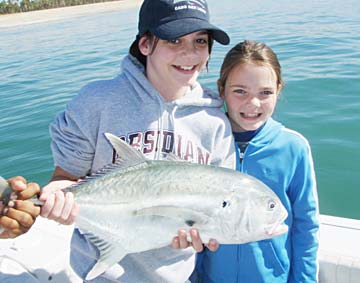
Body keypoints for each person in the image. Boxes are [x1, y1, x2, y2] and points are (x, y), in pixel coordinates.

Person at [39, 0, 236, 282]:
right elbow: (65, 177)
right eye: (174, 39)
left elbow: (218, 206)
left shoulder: (215, 122)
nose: (190, 53)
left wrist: (207, 234)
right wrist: (56, 199)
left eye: (200, 41)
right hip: (99, 275)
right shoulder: (96, 102)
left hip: (176, 276)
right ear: (145, 44)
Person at [195, 40, 320, 282]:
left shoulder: (293, 147)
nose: (253, 104)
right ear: (221, 90)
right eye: (240, 91)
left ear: (279, 90)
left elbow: (306, 225)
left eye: (265, 93)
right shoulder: (204, 141)